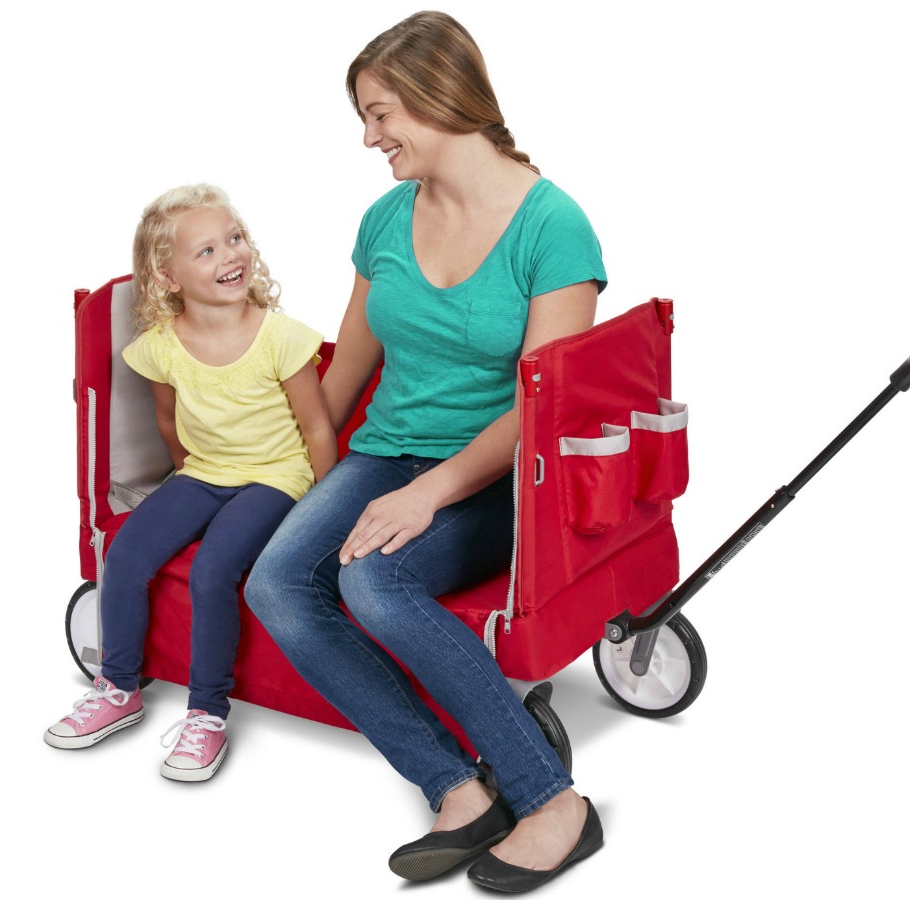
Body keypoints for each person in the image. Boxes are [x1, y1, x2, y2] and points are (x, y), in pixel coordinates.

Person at [245, 11, 605, 891]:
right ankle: (455, 786)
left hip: (494, 477)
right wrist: (274, 467)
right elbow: (347, 369)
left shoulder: (554, 227)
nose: (369, 138)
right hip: (384, 456)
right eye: (365, 119)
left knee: (374, 579)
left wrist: (429, 494)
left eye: (380, 115)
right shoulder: (383, 219)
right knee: (276, 581)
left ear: (442, 99)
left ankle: (553, 800)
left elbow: (538, 409)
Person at [45, 184, 337, 783]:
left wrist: (326, 506)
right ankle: (118, 687)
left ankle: (206, 712)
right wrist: (185, 476)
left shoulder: (280, 337)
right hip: (204, 472)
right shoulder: (159, 346)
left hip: (276, 477)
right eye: (205, 251)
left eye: (234, 239)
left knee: (212, 571)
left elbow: (316, 427)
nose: (230, 255)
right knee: (123, 554)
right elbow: (166, 419)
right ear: (167, 277)